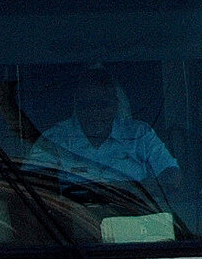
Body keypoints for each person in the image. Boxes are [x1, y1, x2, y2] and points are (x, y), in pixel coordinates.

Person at [27, 66, 183, 208]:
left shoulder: (140, 134)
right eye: (87, 106)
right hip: (73, 226)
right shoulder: (53, 139)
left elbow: (172, 177)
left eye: (102, 105)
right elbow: (31, 186)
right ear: (76, 105)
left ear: (115, 104)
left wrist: (125, 189)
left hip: (135, 220)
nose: (95, 112)